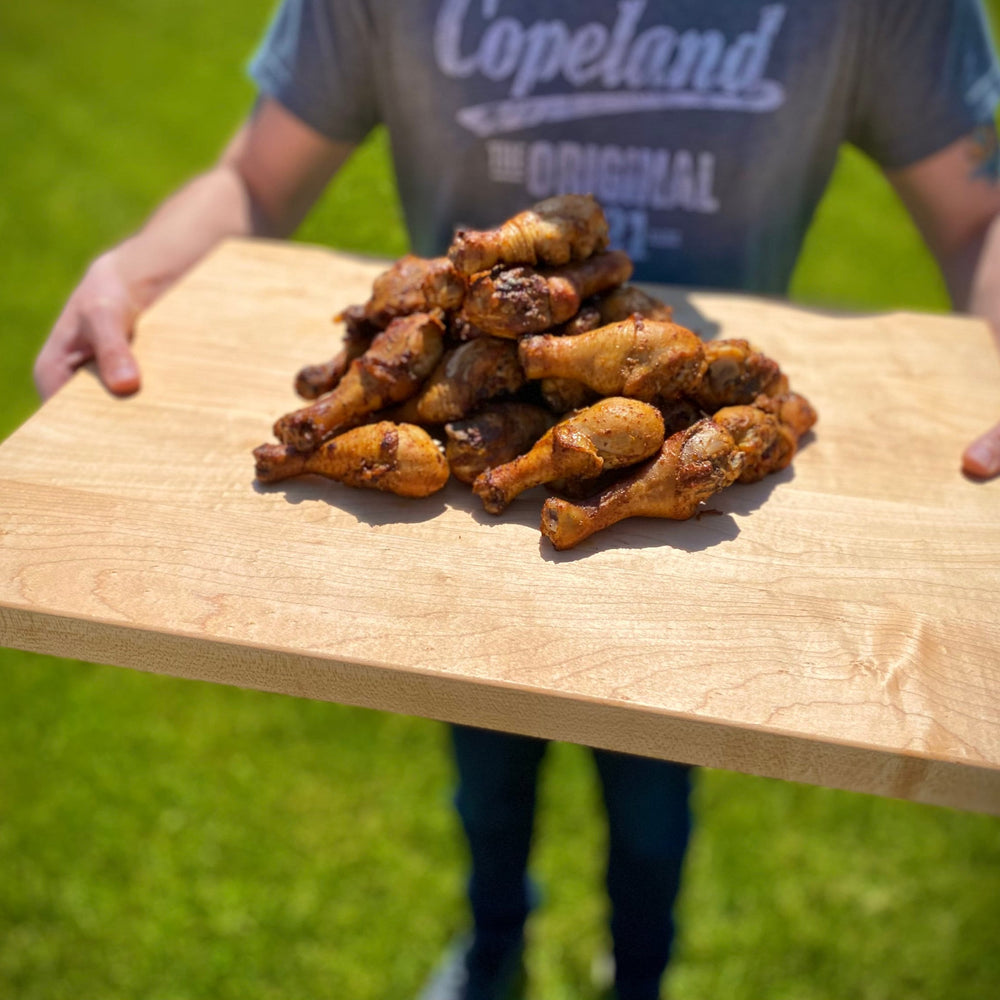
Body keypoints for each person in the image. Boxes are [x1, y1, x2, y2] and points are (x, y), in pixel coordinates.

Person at [33, 2, 1000, 998]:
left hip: (676, 558)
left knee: (652, 799)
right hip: (463, 505)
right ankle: (493, 948)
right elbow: (252, 176)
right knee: (487, 778)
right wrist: (140, 267)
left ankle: (639, 973)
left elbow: (978, 211)